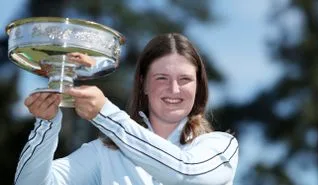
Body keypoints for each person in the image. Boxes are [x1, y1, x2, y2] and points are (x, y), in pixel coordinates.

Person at [15, 33, 239, 185]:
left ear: (198, 85)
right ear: (143, 83)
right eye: (161, 78)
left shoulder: (220, 147)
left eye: (185, 79)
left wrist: (105, 114)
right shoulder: (105, 152)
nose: (174, 89)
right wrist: (46, 125)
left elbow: (185, 171)